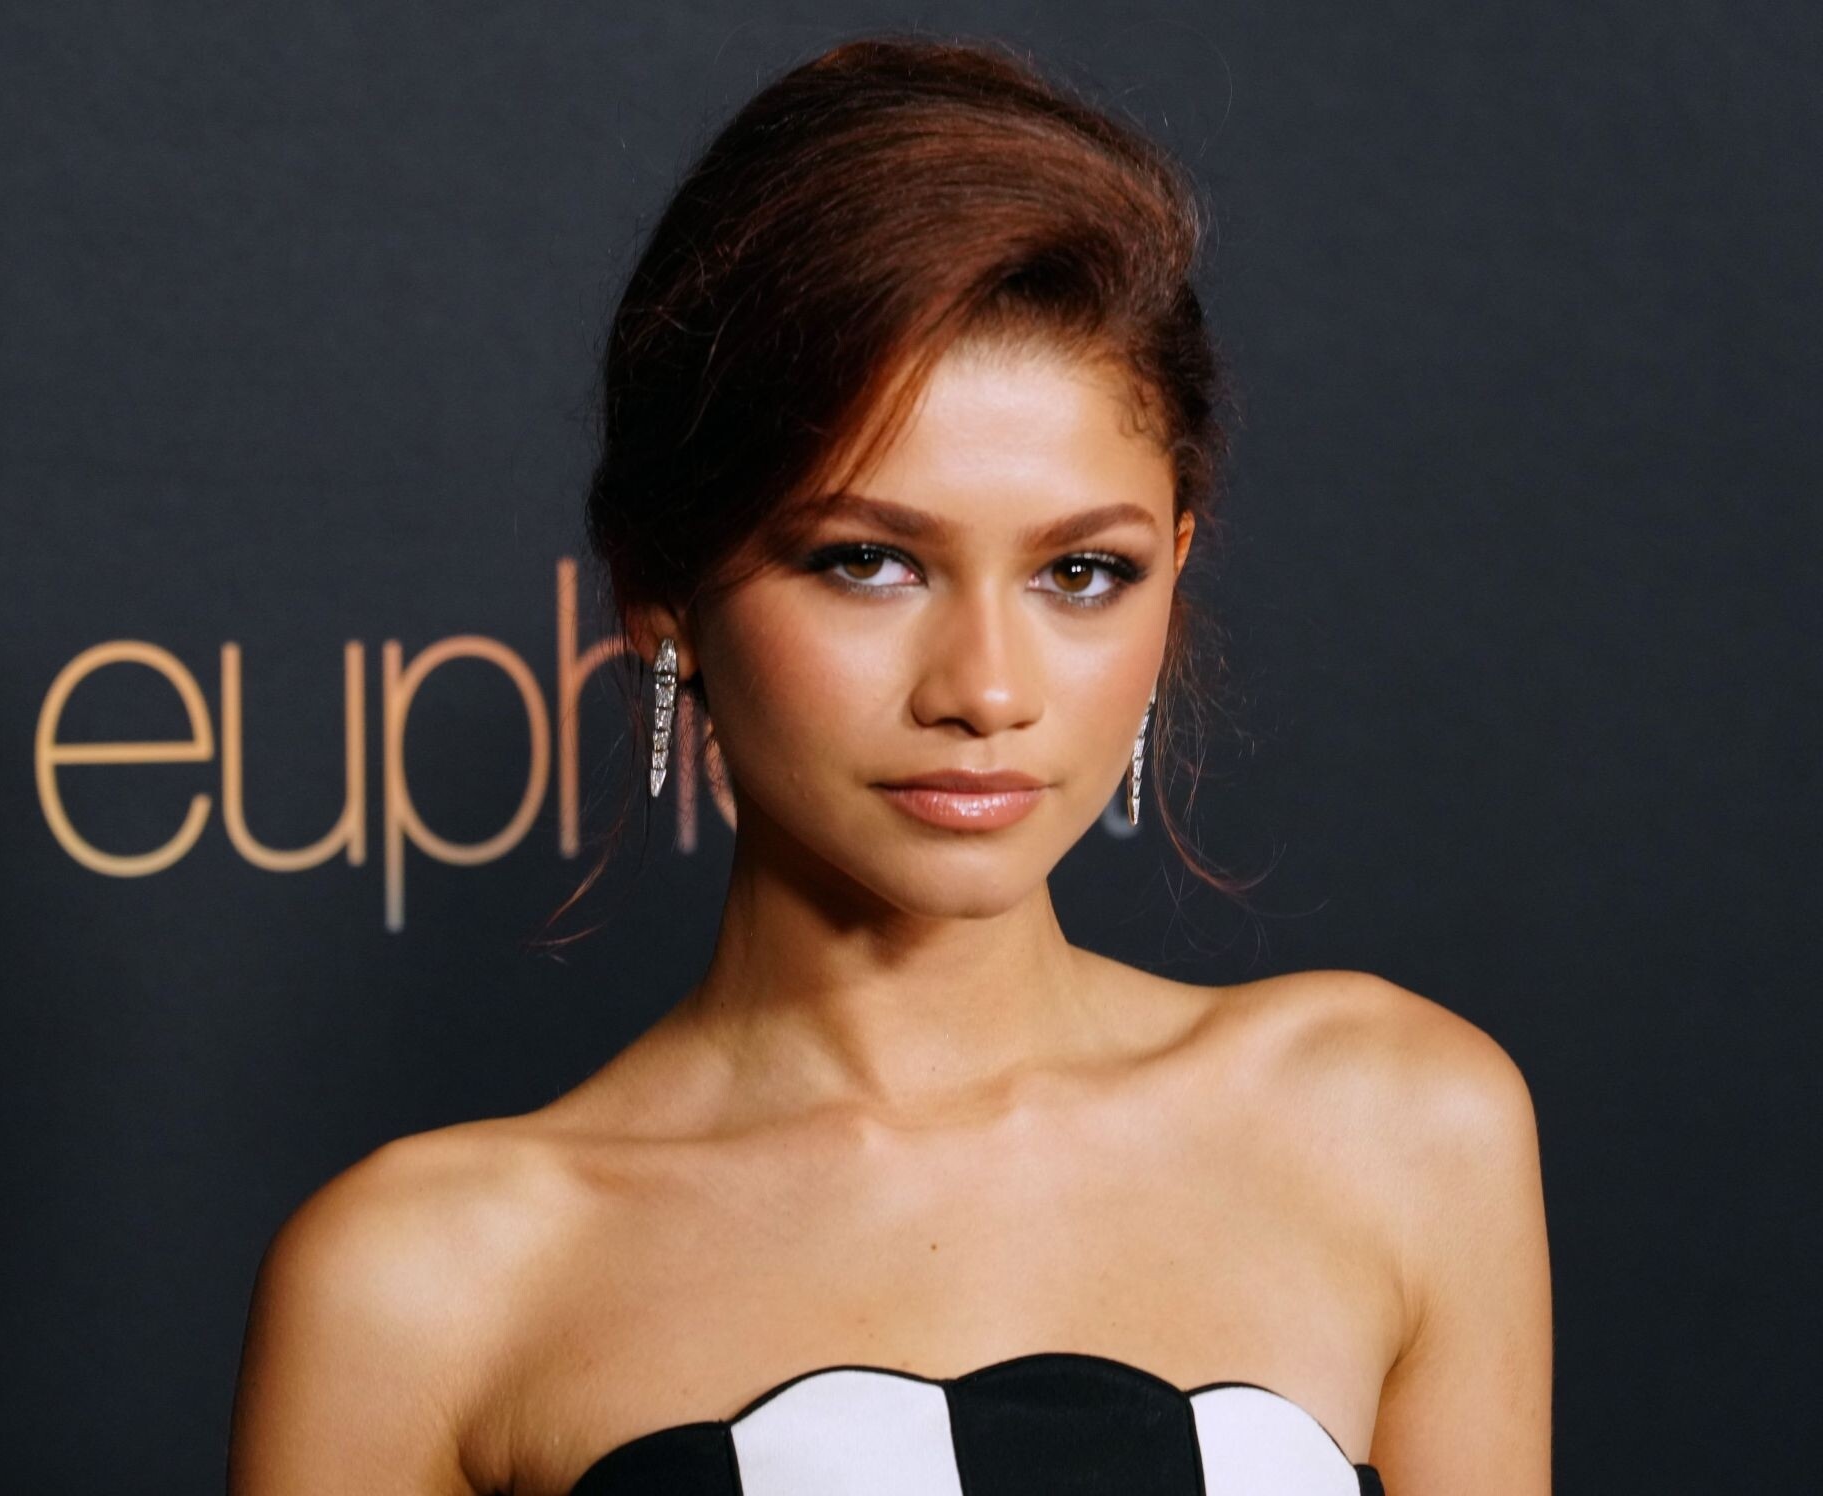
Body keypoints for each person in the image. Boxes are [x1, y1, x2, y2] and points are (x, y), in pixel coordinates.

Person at [226, 34, 1552, 1496]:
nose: (986, 690)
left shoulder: (1399, 1126)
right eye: (868, 561)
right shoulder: (425, 1287)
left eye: (1082, 573)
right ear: (664, 597)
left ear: (1175, 572)